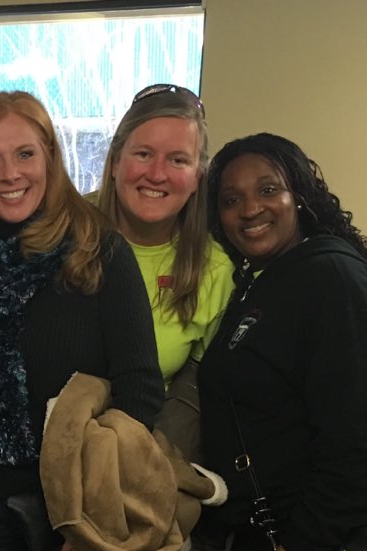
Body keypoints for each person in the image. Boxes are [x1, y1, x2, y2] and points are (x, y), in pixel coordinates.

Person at [0, 90, 163, 551]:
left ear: (51, 159)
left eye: (25, 154)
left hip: (69, 508)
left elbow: (140, 388)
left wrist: (94, 509)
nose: (10, 174)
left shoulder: (98, 250)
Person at [198, 133, 367, 551]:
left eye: (268, 190)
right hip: (272, 527)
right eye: (231, 199)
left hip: (324, 534)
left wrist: (306, 548)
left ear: (299, 197)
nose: (250, 209)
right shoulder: (263, 281)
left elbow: (363, 440)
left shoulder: (333, 278)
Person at [96, 85, 234, 454]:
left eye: (177, 160)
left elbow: (199, 390)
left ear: (197, 178)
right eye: (143, 154)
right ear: (114, 163)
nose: (157, 174)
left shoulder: (214, 269)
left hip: (144, 455)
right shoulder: (60, 236)